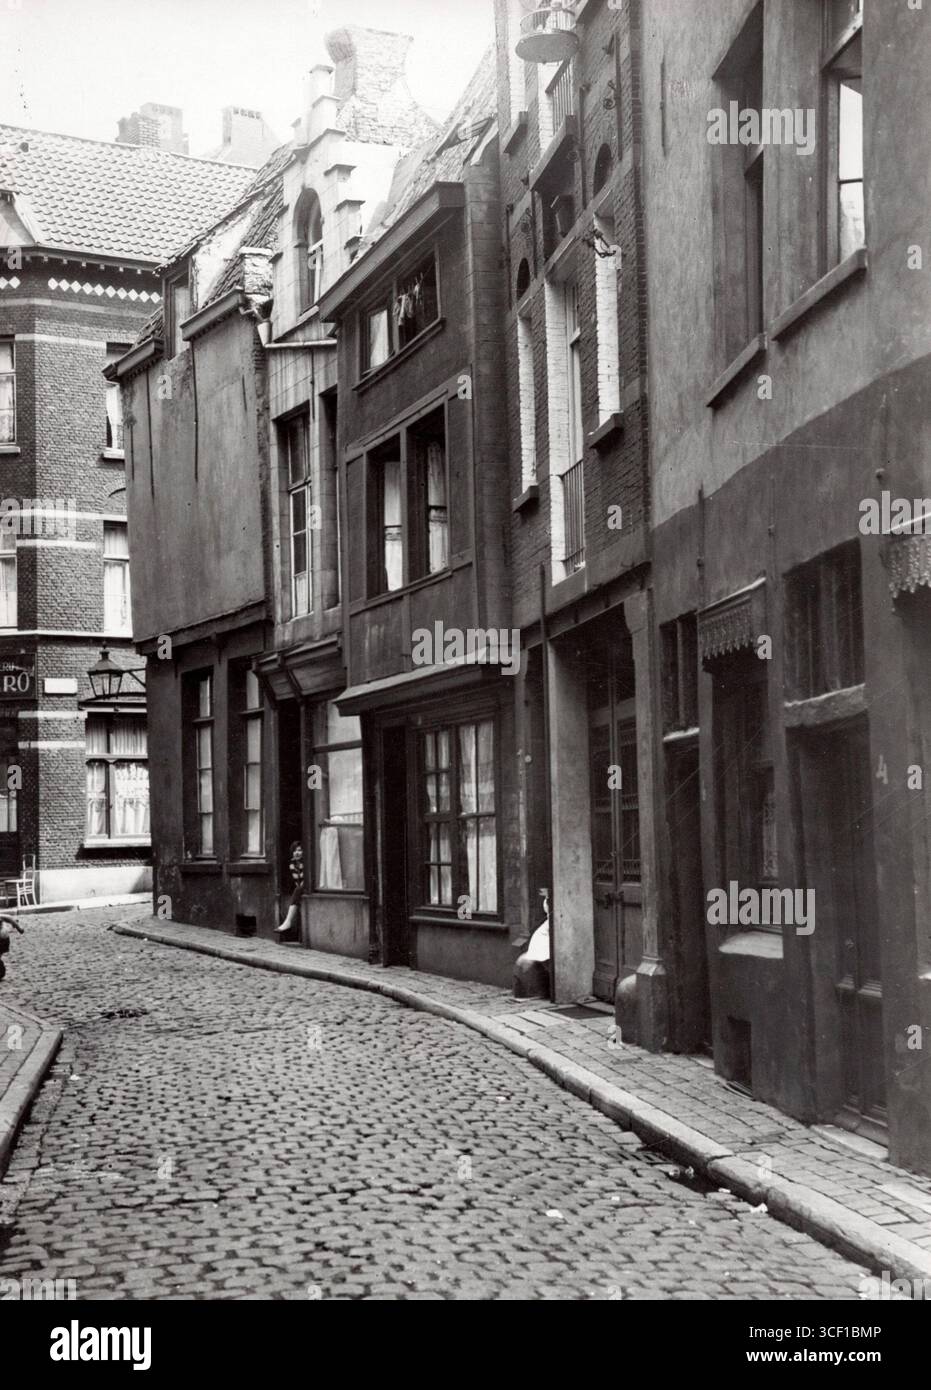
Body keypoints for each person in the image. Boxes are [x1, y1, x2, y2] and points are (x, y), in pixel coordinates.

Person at [276, 840, 304, 938]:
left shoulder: (306, 863)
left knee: (298, 890)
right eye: (295, 851)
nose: (297, 853)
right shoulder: (291, 864)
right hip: (299, 890)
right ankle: (289, 927)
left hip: (304, 888)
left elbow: (305, 881)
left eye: (300, 850)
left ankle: (288, 922)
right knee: (296, 891)